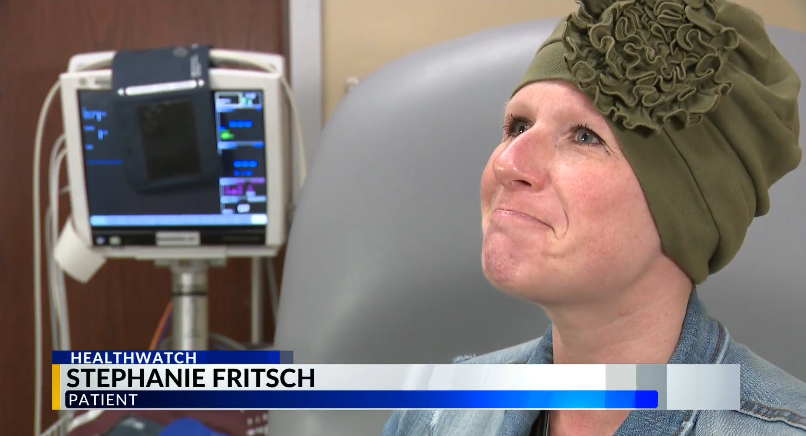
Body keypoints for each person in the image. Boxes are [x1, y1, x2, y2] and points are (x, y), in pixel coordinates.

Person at [382, 0, 806, 435]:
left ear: (692, 213)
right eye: (518, 126)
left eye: (585, 137)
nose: (507, 163)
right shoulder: (434, 412)